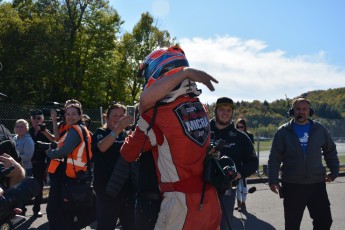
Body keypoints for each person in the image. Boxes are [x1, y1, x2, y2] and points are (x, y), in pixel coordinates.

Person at [121, 46, 222, 230]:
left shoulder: (157, 115)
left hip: (180, 205)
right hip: (209, 201)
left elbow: (128, 153)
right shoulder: (201, 107)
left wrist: (134, 126)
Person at [268, 97, 339, 230]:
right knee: (292, 225)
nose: (301, 111)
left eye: (305, 109)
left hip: (316, 184)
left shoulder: (320, 129)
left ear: (310, 111)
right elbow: (274, 158)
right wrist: (273, 179)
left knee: (324, 221)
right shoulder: (283, 131)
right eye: (298, 109)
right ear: (292, 111)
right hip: (292, 184)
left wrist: (334, 171)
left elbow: (330, 151)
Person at [210, 97, 258, 230]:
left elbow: (253, 162)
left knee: (224, 225)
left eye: (228, 110)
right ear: (215, 111)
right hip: (203, 186)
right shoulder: (203, 132)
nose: (225, 113)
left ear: (232, 113)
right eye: (221, 109)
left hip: (226, 188)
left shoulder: (240, 136)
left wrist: (239, 174)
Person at [46, 102, 92, 230]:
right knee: (64, 212)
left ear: (80, 115)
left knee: (56, 211)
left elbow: (64, 150)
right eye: (68, 114)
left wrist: (49, 152)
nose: (70, 116)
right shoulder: (73, 129)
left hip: (66, 176)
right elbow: (59, 140)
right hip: (69, 175)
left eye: (73, 114)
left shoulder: (75, 130)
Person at [92, 103, 135, 230]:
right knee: (106, 225)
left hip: (126, 190)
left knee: (131, 225)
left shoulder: (127, 135)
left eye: (122, 115)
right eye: (115, 115)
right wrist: (118, 129)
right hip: (106, 191)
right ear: (107, 117)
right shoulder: (100, 132)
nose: (118, 118)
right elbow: (102, 147)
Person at [29, 109, 55, 217]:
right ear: (31, 119)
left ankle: (36, 209)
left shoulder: (46, 132)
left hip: (40, 163)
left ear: (43, 119)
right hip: (27, 162)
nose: (36, 120)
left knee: (38, 186)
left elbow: (51, 150)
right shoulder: (27, 131)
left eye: (38, 118)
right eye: (34, 118)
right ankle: (21, 209)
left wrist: (47, 167)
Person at [235, 118, 254, 212]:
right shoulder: (234, 135)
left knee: (244, 183)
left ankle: (243, 202)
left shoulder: (249, 135)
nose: (239, 128)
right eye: (237, 127)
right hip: (237, 162)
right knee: (237, 183)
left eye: (241, 127)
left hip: (245, 163)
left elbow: (251, 151)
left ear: (245, 127)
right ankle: (238, 203)